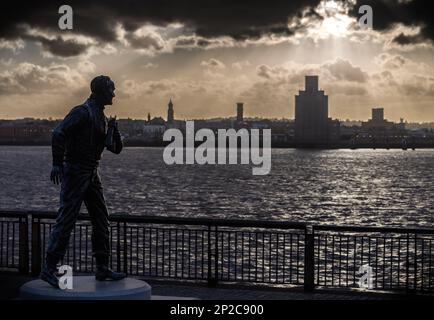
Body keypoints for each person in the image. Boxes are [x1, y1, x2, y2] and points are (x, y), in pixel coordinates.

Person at [40, 75, 126, 288]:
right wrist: (57, 164)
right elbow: (58, 133)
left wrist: (115, 131)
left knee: (101, 219)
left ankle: (102, 267)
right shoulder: (82, 112)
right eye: (111, 90)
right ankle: (48, 268)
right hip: (76, 172)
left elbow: (115, 149)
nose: (114, 94)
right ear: (100, 91)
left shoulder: (102, 117)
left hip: (92, 172)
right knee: (66, 219)